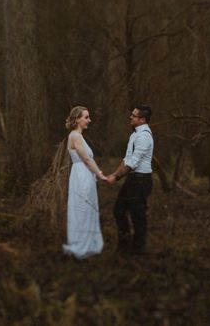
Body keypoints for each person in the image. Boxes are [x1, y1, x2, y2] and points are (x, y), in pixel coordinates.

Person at [106, 105, 154, 255]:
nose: (130, 117)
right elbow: (127, 159)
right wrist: (114, 174)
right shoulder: (134, 135)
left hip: (141, 181)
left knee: (137, 215)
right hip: (133, 180)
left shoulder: (144, 136)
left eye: (134, 115)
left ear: (142, 119)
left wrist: (117, 177)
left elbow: (133, 163)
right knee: (118, 210)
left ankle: (138, 250)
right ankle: (124, 245)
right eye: (131, 114)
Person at [62, 106, 107, 259]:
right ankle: (81, 243)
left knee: (87, 209)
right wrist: (100, 174)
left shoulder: (79, 136)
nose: (89, 120)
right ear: (77, 119)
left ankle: (88, 242)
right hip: (81, 175)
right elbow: (87, 159)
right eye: (86, 117)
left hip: (84, 175)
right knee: (82, 209)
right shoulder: (74, 136)